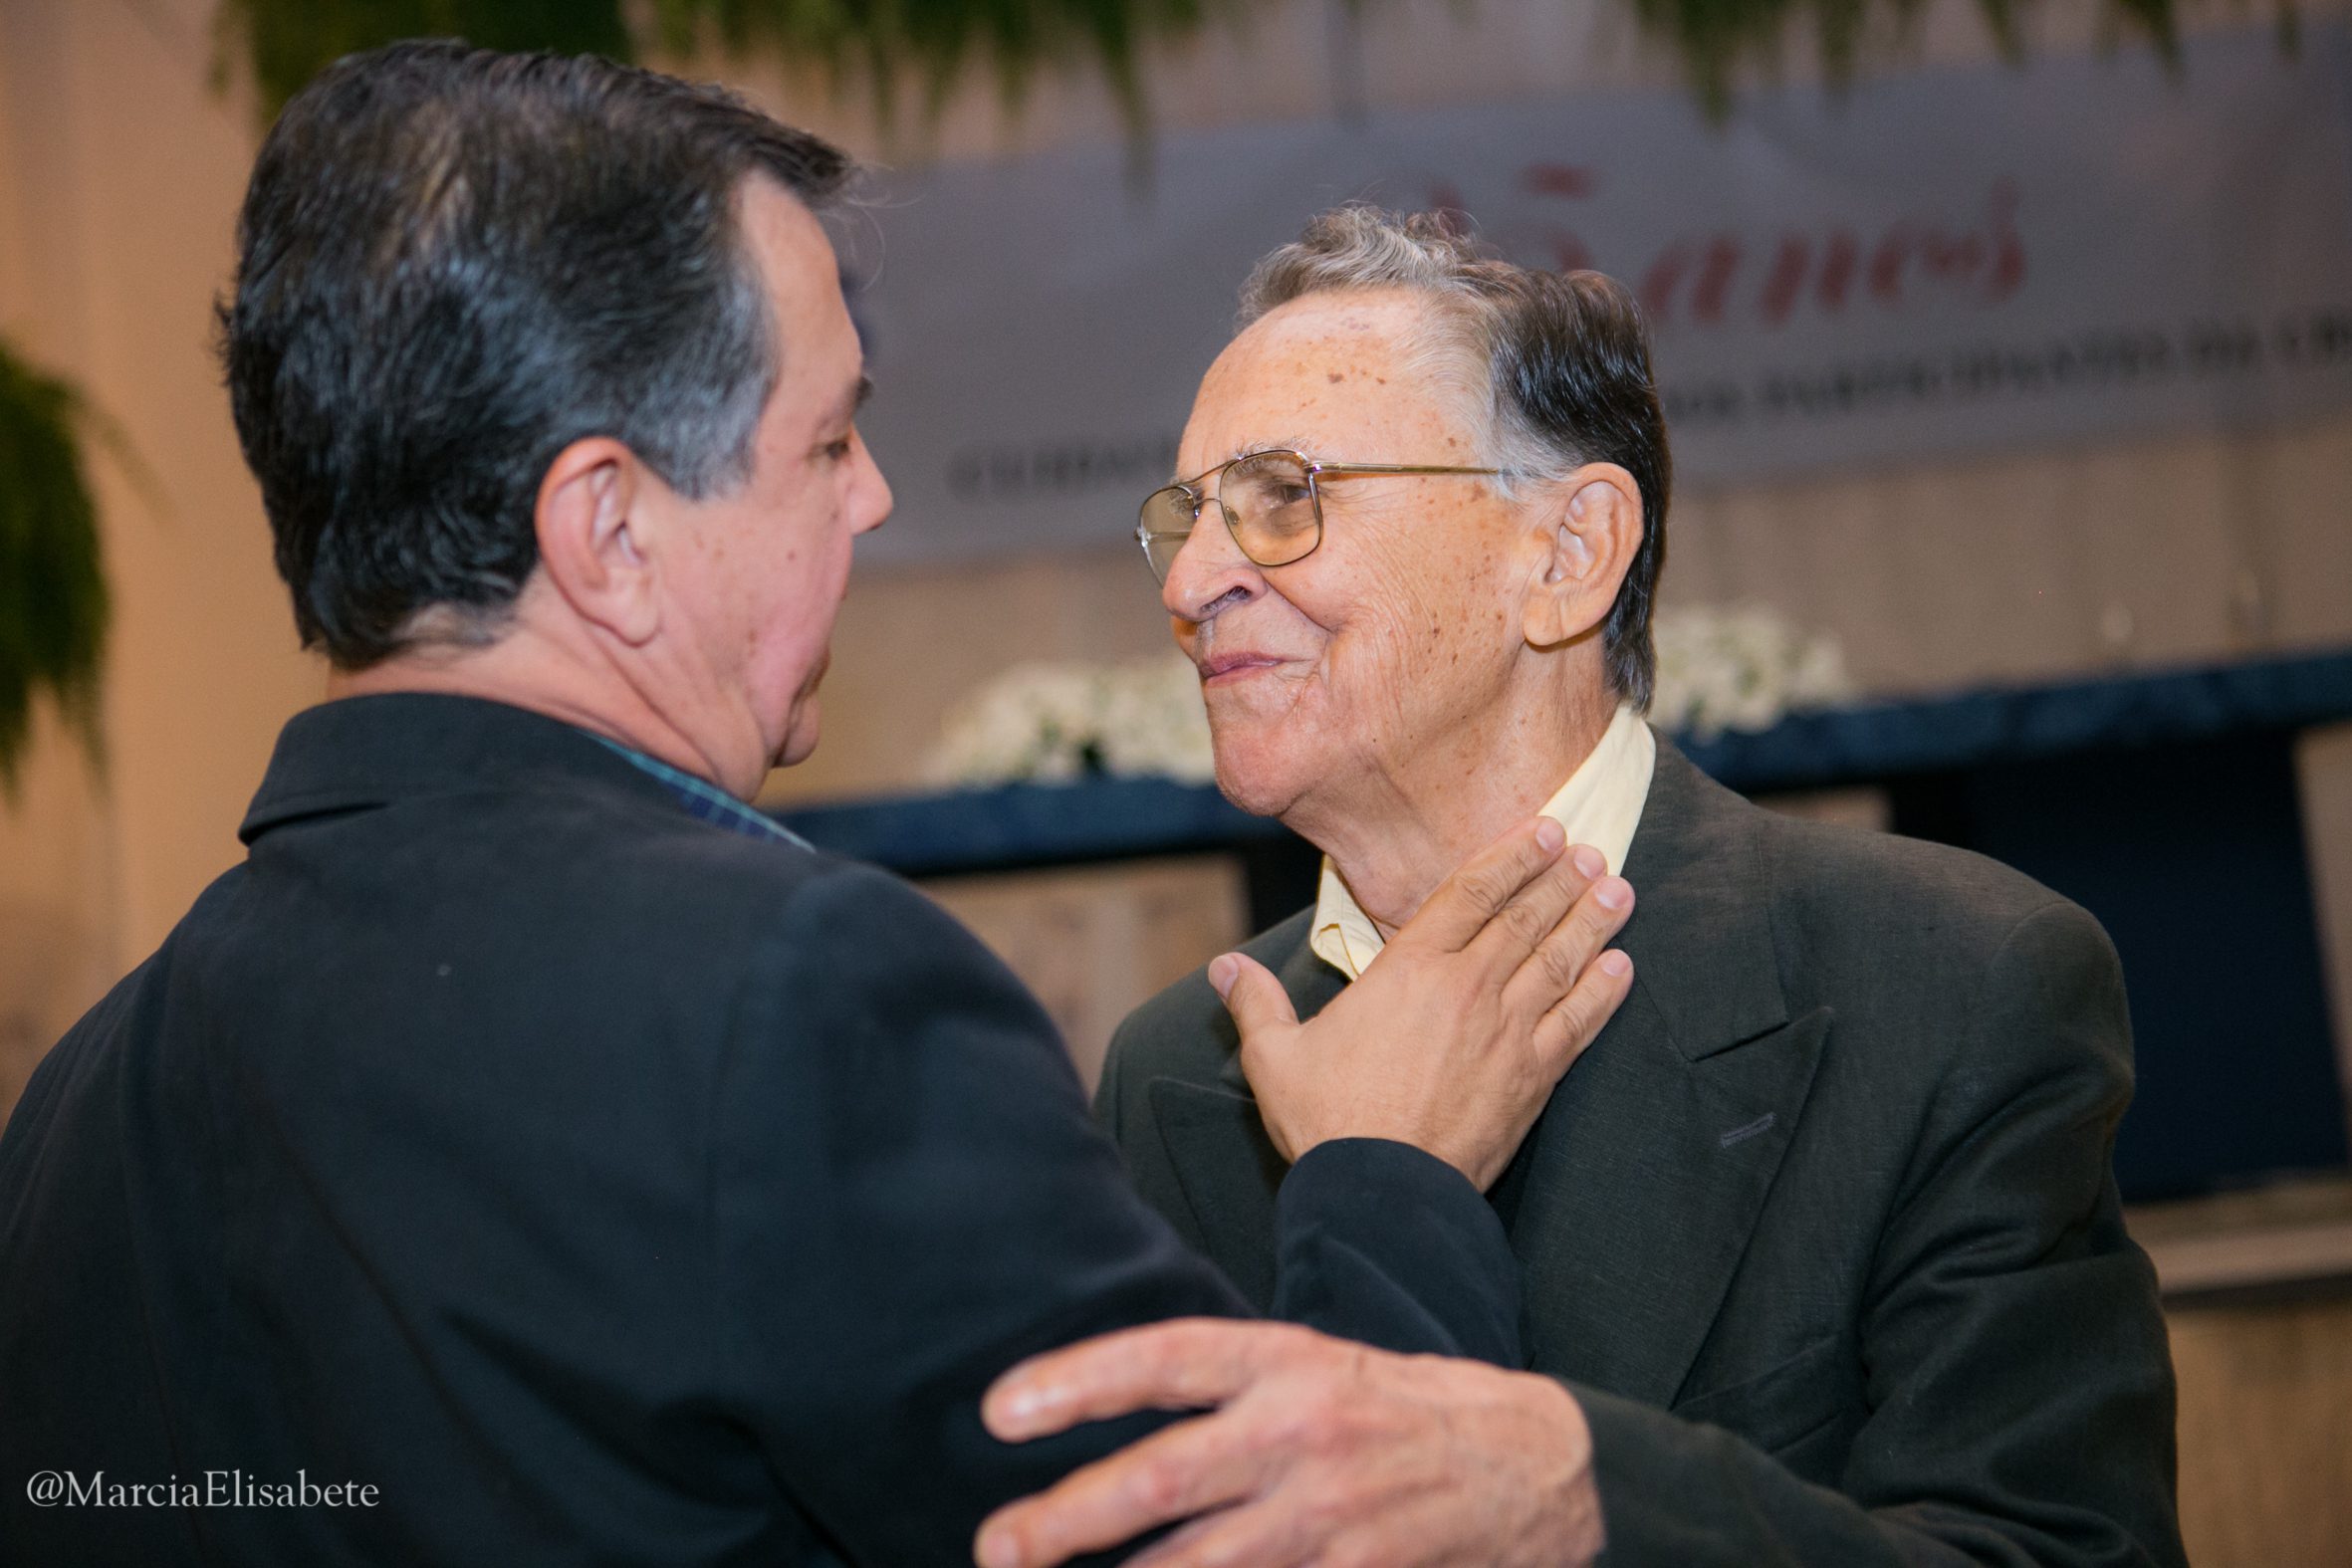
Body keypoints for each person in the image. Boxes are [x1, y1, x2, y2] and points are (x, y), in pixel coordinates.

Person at [0, 54, 1641, 1566]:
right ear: (608, 532)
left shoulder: (75, 1109)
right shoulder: (793, 1004)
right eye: (829, 438)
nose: (871, 497)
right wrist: (1388, 1177)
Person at [971, 209, 2188, 1568]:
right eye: (1187, 517)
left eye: (1283, 496)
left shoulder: (1944, 985)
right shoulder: (1178, 1073)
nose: (1195, 582)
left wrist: (1578, 1500)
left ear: (1565, 555)